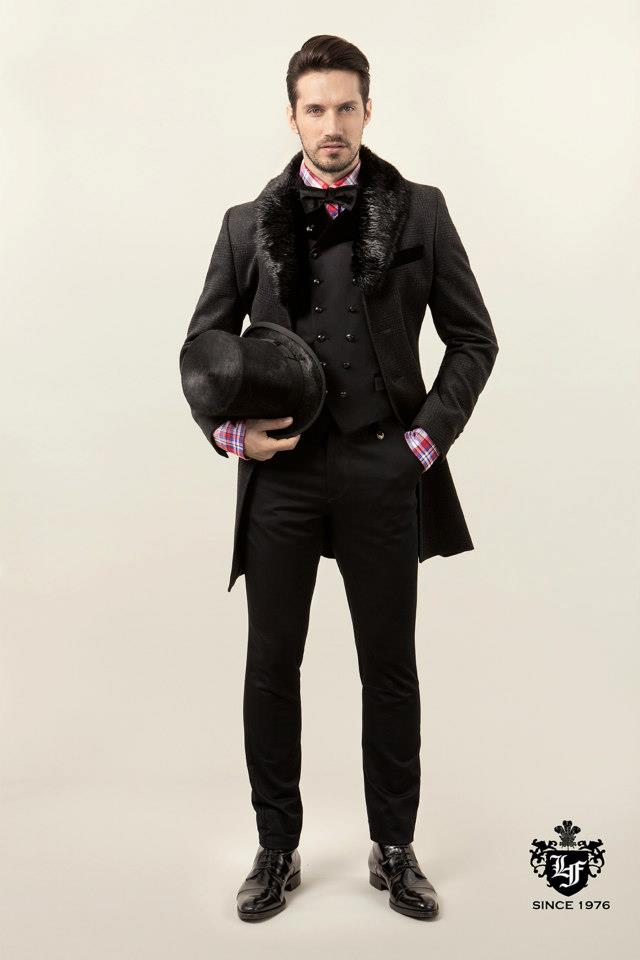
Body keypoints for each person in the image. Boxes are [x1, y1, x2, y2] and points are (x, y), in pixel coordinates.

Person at [179, 34, 499, 923]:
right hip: (282, 473)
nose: (331, 124)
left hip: (382, 466)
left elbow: (475, 338)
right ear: (292, 116)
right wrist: (233, 435)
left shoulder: (421, 211)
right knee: (271, 664)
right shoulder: (245, 223)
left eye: (345, 107)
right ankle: (275, 848)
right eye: (315, 108)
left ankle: (393, 847)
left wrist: (423, 444)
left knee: (388, 665)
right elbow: (202, 351)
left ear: (367, 110)